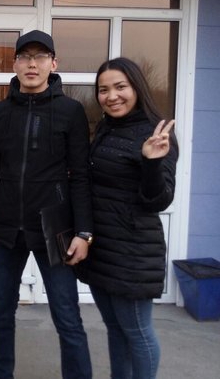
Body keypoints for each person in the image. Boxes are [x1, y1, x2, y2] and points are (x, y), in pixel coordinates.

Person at [0, 30, 93, 379]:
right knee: (1, 312)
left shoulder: (71, 111)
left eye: (40, 57)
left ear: (53, 63)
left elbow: (81, 175)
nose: (32, 64)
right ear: (15, 64)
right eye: (25, 57)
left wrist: (84, 231)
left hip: (55, 228)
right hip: (7, 226)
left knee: (67, 315)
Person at [86, 57, 178, 379]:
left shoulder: (155, 133)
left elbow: (159, 200)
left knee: (137, 331)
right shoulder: (106, 129)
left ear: (137, 87)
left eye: (120, 87)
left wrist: (152, 162)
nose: (111, 96)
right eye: (103, 90)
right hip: (102, 248)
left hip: (133, 253)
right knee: (115, 328)